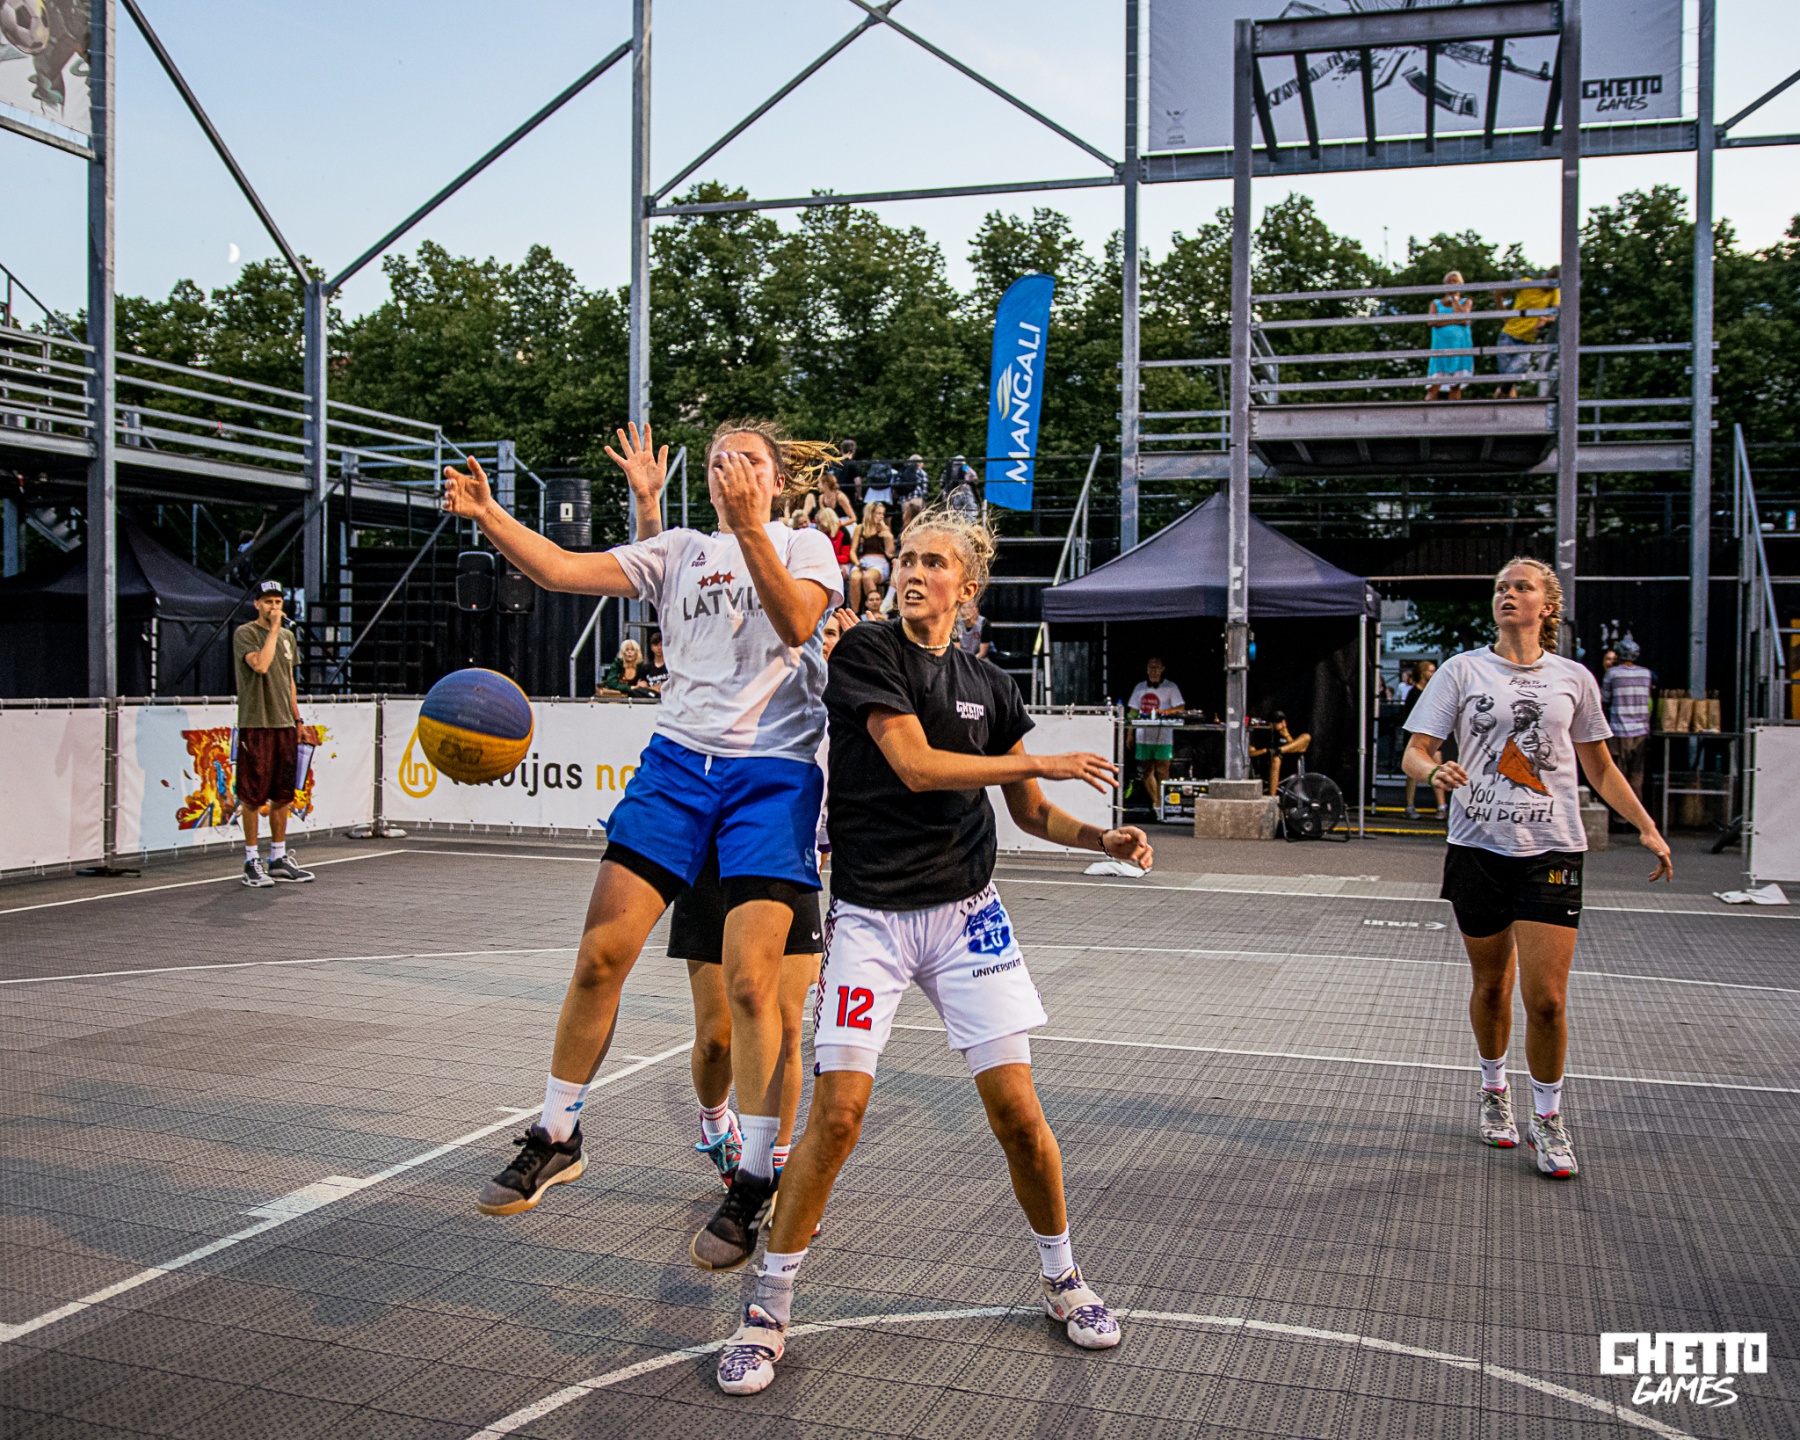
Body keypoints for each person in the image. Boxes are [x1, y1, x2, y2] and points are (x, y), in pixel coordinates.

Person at [713, 506, 1153, 1395]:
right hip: (873, 919)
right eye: (906, 558)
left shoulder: (988, 683)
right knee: (838, 1116)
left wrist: (1099, 838)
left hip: (967, 918)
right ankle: (767, 1309)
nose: (912, 573)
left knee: (1019, 1115)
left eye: (933, 562)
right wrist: (1038, 762)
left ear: (968, 587)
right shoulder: (867, 652)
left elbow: (1032, 815)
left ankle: (1063, 1277)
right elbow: (915, 765)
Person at [445, 419, 844, 1271]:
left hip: (772, 775)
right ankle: (557, 1132)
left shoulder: (804, 546)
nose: (731, 468)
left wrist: (749, 528)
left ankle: (754, 1178)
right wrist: (489, 517)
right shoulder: (679, 550)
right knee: (600, 955)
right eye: (719, 459)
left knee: (752, 990)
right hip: (676, 768)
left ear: (777, 480)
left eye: (749, 460)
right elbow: (559, 569)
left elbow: (796, 622)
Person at [1403, 557, 1671, 1181]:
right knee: (1492, 986)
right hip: (1478, 848)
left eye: (1521, 587)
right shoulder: (1462, 670)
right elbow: (1416, 751)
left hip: (1552, 849)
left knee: (1547, 999)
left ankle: (1547, 1118)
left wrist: (1646, 826)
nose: (1508, 594)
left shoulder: (1573, 678)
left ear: (1547, 605)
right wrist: (1434, 770)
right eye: (1501, 587)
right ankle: (1494, 1089)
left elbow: (1599, 766)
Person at [232, 580, 315, 887]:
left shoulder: (288, 637)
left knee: (283, 793)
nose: (274, 607)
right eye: (268, 602)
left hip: (283, 724)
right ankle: (251, 860)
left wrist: (298, 720)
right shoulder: (245, 633)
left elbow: (289, 680)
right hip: (257, 722)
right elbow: (262, 665)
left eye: (278, 602)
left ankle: (278, 857)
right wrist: (274, 629)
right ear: (257, 604)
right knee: (253, 795)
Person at [1126, 657, 1185, 809]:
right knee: (1146, 771)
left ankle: (1164, 804)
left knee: (1162, 770)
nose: (1153, 670)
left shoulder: (1171, 687)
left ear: (1162, 669)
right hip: (1143, 735)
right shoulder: (1140, 687)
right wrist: (1129, 733)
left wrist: (1163, 712)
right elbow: (1133, 711)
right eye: (1150, 667)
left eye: (1156, 667)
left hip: (1163, 736)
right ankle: (1156, 803)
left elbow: (1180, 708)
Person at [1600, 638, 1654, 804]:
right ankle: (1635, 813)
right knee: (1636, 775)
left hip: (1619, 731)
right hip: (1641, 732)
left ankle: (1618, 813)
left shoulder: (1613, 674)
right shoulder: (1646, 673)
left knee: (1619, 775)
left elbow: (1604, 698)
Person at [1492, 266, 1559, 399]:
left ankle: (1499, 399)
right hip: (1509, 334)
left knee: (1511, 378)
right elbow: (1498, 292)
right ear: (1547, 277)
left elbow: (1556, 313)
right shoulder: (1527, 283)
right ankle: (1504, 405)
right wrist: (1504, 314)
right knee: (1508, 381)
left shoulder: (1554, 292)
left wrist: (1545, 319)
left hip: (1527, 339)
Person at [1400, 659, 1447, 819]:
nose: (1433, 674)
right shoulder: (1414, 694)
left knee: (1438, 770)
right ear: (1422, 673)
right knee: (1413, 772)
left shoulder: (1432, 692)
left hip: (1433, 736)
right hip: (1418, 736)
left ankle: (1441, 806)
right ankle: (1410, 805)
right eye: (1430, 671)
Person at [1425, 271, 1473, 402]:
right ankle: (1427, 411)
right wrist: (1454, 320)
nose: (1451, 284)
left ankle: (1454, 412)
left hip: (1459, 348)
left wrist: (1454, 301)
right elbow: (1432, 322)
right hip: (1440, 348)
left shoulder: (1466, 301)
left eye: (1454, 281)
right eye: (1449, 281)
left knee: (1455, 386)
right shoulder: (1435, 303)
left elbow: (1463, 318)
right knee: (1434, 385)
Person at [1249, 711, 1312, 795]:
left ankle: (1279, 750)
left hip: (1290, 763)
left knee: (1306, 737)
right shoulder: (1262, 735)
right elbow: (1251, 753)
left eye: (1284, 721)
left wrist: (1287, 736)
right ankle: (1272, 797)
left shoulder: (1288, 732)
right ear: (1271, 724)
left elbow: (1297, 748)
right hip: (1269, 765)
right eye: (1279, 722)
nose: (1283, 724)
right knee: (1276, 759)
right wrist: (1265, 751)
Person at [849, 500, 894, 613]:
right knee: (855, 578)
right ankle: (855, 613)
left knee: (867, 577)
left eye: (882, 514)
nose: (881, 516)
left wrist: (889, 537)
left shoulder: (884, 529)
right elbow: (852, 551)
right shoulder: (860, 528)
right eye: (878, 513)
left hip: (879, 562)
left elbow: (890, 553)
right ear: (870, 513)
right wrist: (857, 563)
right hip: (864, 560)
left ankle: (876, 612)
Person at [817, 508, 854, 596]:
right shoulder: (821, 533)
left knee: (840, 571)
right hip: (827, 562)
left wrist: (829, 558)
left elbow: (846, 557)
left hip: (841, 563)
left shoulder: (843, 532)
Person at [828, 439, 861, 508]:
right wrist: (859, 495)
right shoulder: (853, 464)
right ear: (853, 450)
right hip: (849, 495)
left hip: (835, 494)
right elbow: (857, 482)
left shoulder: (834, 463)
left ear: (841, 450)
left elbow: (829, 478)